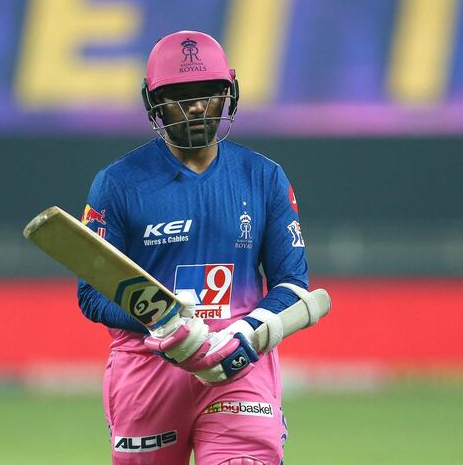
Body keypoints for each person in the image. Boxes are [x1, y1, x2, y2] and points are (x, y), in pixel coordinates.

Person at [77, 30, 316, 465]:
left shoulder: (262, 177)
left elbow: (293, 285)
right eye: (179, 95)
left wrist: (244, 334)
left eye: (208, 93)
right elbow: (91, 295)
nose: (195, 107)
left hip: (238, 364)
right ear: (153, 102)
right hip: (148, 368)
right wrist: (163, 318)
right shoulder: (117, 184)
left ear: (229, 94)